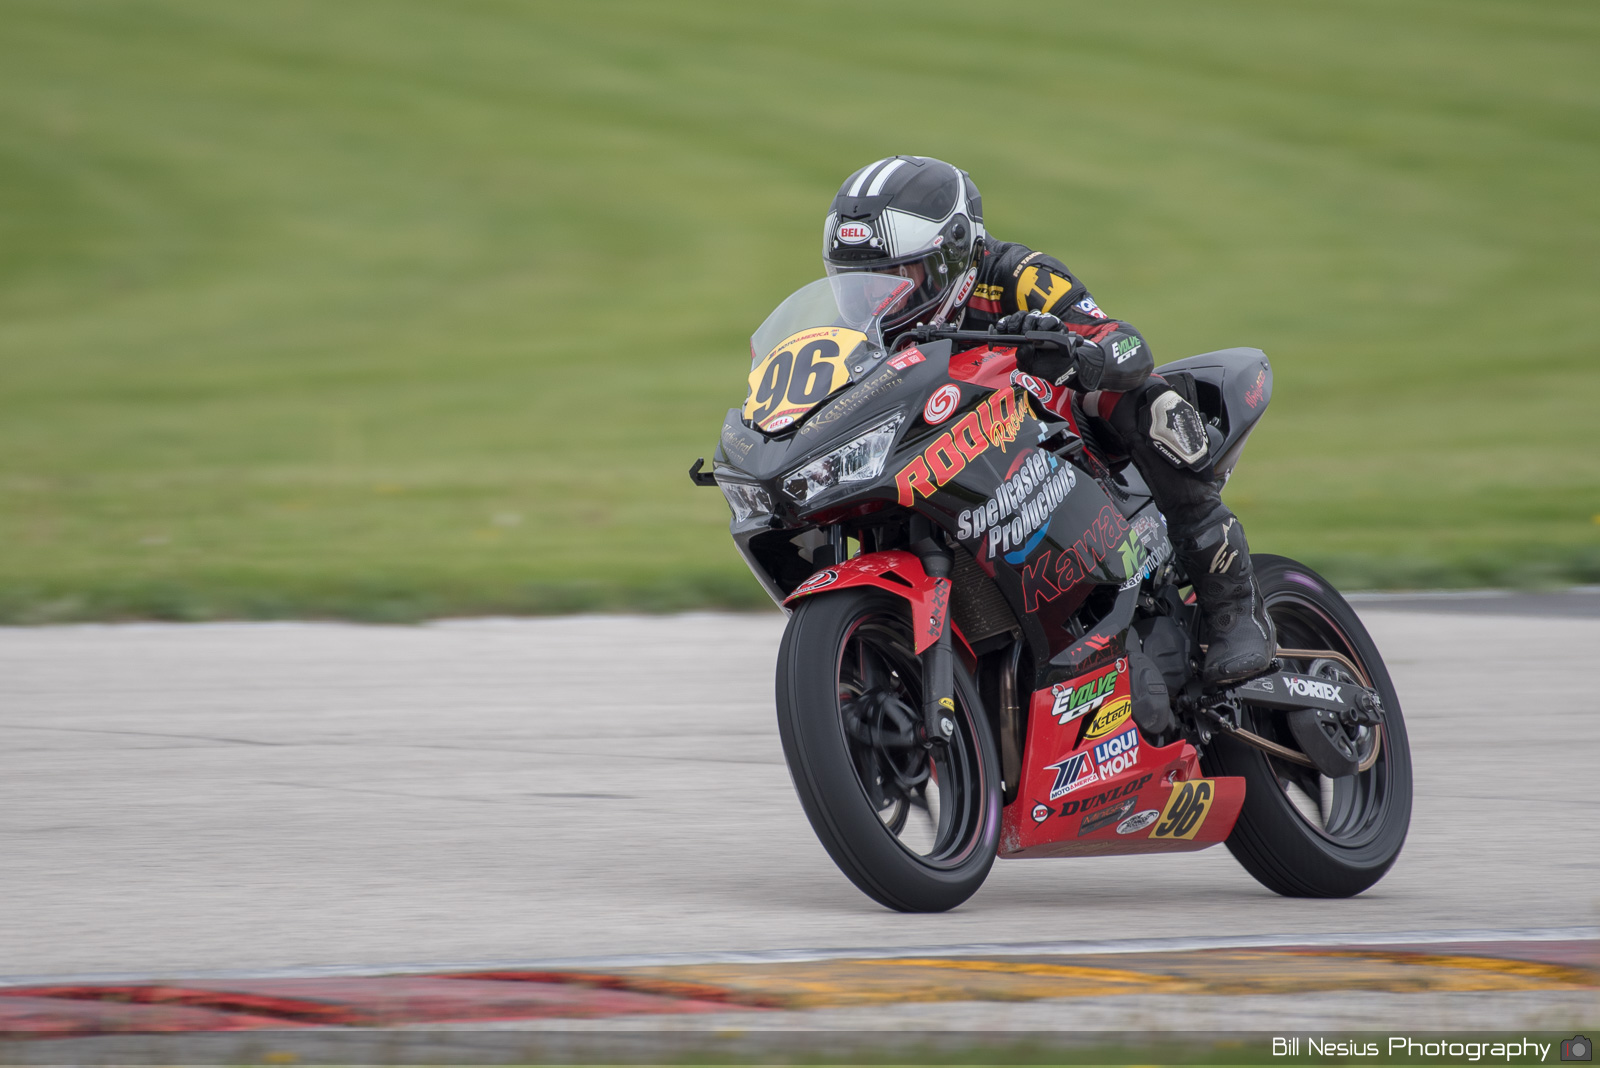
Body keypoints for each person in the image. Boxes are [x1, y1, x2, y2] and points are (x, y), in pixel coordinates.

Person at [822, 155, 1274, 683]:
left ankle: (1235, 609)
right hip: (960, 464)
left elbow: (1124, 342)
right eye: (859, 283)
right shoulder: (861, 332)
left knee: (1147, 402)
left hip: (1059, 440)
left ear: (953, 254)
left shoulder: (1018, 274)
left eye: (899, 275)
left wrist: (1076, 355)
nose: (879, 298)